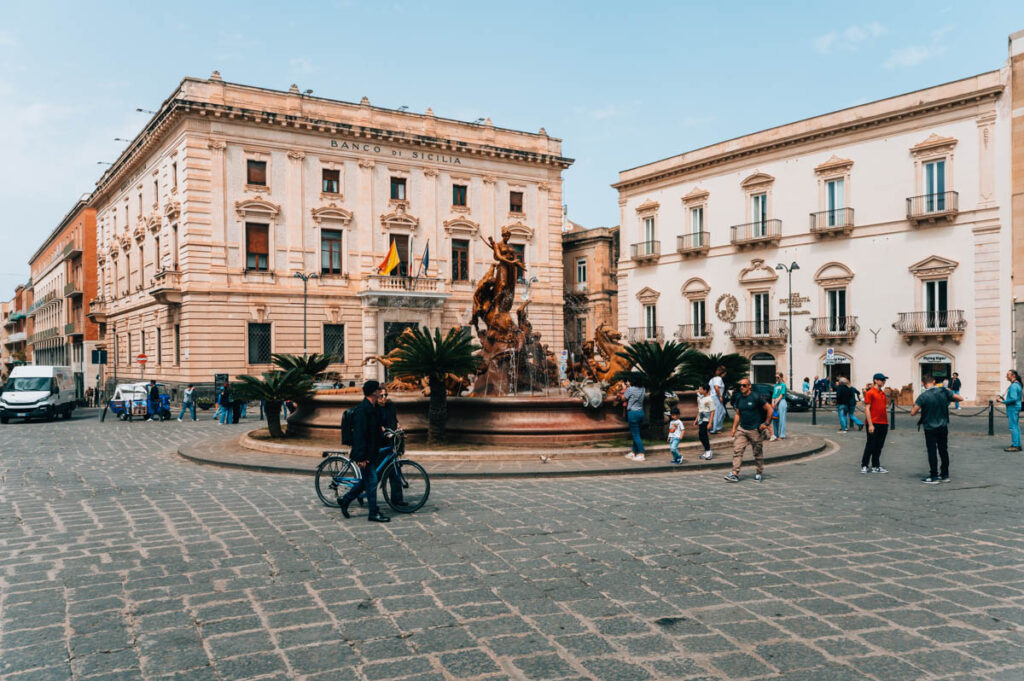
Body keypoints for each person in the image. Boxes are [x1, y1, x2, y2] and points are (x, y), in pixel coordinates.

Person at [338, 380, 390, 523]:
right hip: (364, 454)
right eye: (379, 389)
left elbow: (375, 430)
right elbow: (359, 436)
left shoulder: (373, 408)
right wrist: (361, 457)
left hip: (372, 452)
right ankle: (373, 513)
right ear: (374, 392)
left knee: (366, 482)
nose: (381, 391)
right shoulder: (363, 410)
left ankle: (345, 500)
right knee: (372, 482)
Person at [911, 373, 962, 484]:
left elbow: (913, 412)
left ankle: (933, 476)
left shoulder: (923, 396)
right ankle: (945, 475)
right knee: (943, 450)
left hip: (930, 427)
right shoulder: (943, 391)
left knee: (932, 451)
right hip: (943, 426)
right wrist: (948, 397)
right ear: (933, 381)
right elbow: (960, 398)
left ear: (923, 384)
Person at [725, 377, 773, 483]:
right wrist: (733, 428)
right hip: (742, 429)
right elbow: (738, 414)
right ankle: (735, 474)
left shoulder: (756, 397)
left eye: (744, 385)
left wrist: (766, 423)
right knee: (737, 450)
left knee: (757, 453)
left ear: (749, 386)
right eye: (740, 385)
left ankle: (759, 472)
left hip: (755, 429)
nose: (741, 387)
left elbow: (770, 409)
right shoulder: (739, 398)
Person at [862, 373, 890, 474]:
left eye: (884, 380)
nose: (883, 382)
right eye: (882, 380)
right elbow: (867, 408)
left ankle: (875, 465)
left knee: (879, 446)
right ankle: (864, 465)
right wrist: (870, 424)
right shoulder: (870, 393)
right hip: (874, 422)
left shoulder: (882, 393)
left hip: (883, 422)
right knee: (870, 445)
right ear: (876, 380)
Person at [997, 369, 1022, 452]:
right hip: (1016, 407)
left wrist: (1002, 401)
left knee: (1013, 427)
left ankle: (1015, 445)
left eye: (1008, 375)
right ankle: (1017, 444)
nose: (1006, 376)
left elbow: (1014, 399)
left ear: (1013, 375)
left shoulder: (1014, 386)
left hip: (1013, 408)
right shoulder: (1017, 384)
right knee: (1016, 427)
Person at [623, 376, 647, 462]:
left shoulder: (630, 389)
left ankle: (641, 453)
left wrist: (626, 388)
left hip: (632, 413)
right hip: (641, 412)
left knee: (635, 434)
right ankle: (633, 452)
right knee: (636, 433)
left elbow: (623, 398)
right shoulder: (643, 388)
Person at [694, 383, 715, 460]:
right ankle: (707, 451)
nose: (699, 390)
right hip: (701, 420)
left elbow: (712, 411)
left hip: (706, 420)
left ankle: (709, 451)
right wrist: (696, 419)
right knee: (701, 435)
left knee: (703, 435)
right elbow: (700, 410)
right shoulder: (701, 399)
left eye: (700, 389)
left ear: (705, 390)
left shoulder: (710, 399)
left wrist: (710, 422)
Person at [709, 366, 727, 434]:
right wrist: (720, 396)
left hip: (712, 396)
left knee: (721, 412)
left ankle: (715, 427)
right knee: (718, 412)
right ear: (723, 373)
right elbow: (716, 387)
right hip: (716, 397)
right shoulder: (719, 379)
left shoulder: (712, 379)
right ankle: (715, 428)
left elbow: (710, 389)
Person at [771, 372, 787, 441]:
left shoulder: (783, 385)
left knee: (782, 419)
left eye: (778, 377)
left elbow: (781, 395)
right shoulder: (775, 385)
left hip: (781, 402)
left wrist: (776, 403)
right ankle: (775, 434)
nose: (777, 378)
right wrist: (772, 403)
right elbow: (774, 395)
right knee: (775, 418)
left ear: (781, 377)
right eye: (776, 377)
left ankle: (782, 435)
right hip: (775, 402)